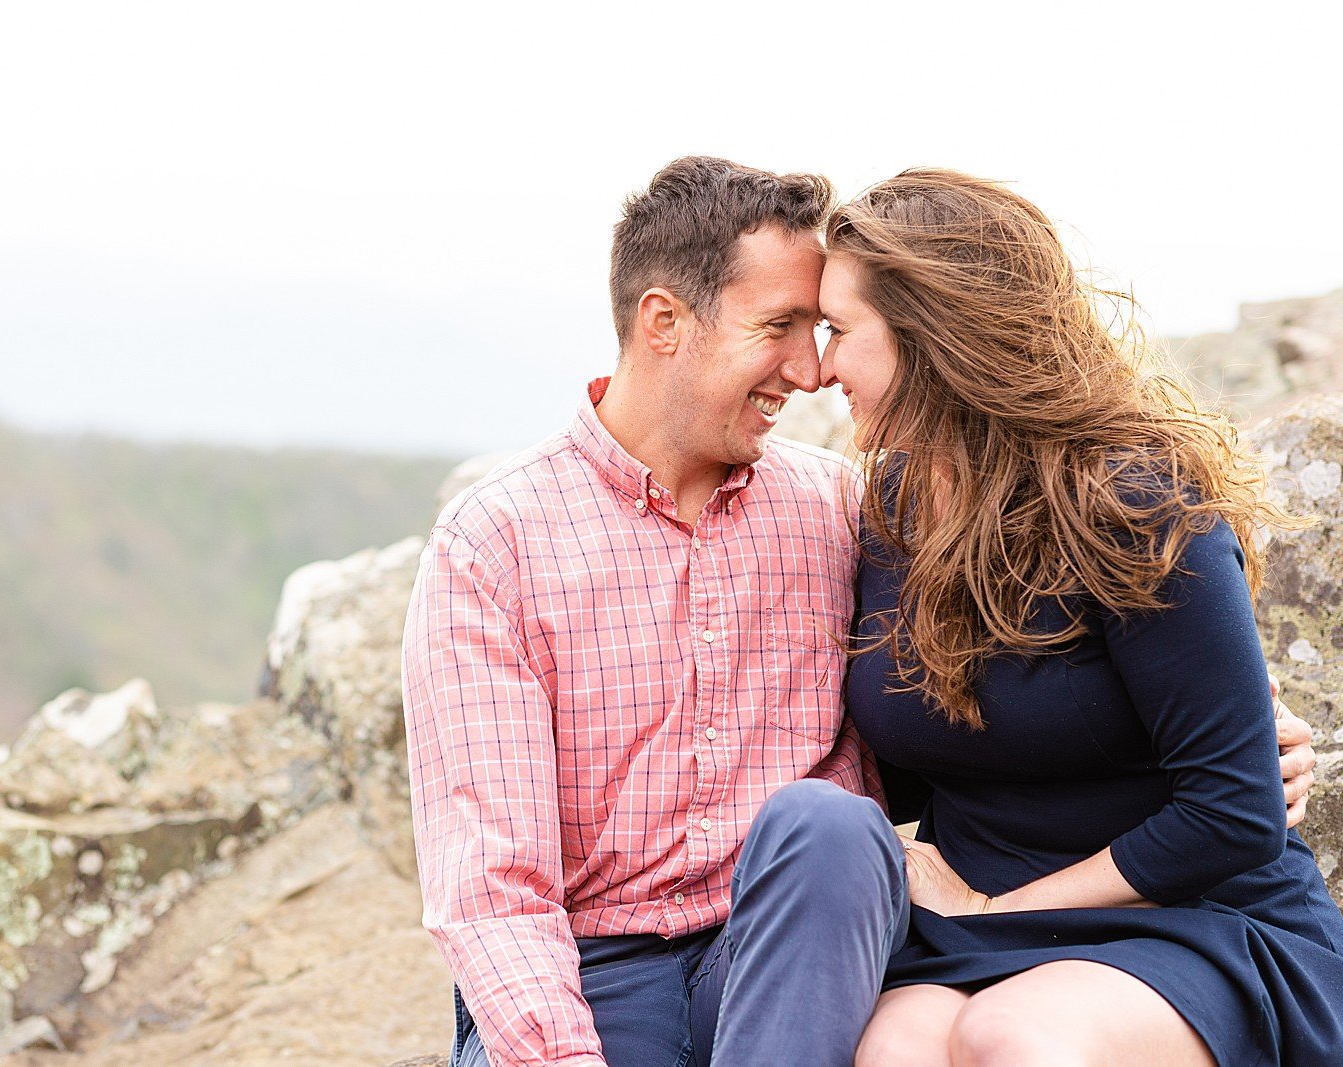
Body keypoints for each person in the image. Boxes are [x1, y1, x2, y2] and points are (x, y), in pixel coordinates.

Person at [401, 157, 1316, 1067]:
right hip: (625, 963)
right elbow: (493, 888)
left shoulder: (848, 507)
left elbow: (1181, 760)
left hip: (869, 941)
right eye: (785, 326)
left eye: (829, 328)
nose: (811, 368)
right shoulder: (511, 540)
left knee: (893, 904)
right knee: (892, 1030)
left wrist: (1237, 728)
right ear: (664, 322)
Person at [813, 169, 1343, 1066]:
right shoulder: (891, 505)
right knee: (890, 1049)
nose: (821, 364)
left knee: (1016, 1033)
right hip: (974, 927)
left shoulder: (1135, 499)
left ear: (930, 331)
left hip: (1190, 919)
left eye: (839, 330)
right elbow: (925, 744)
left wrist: (998, 912)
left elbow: (1235, 810)